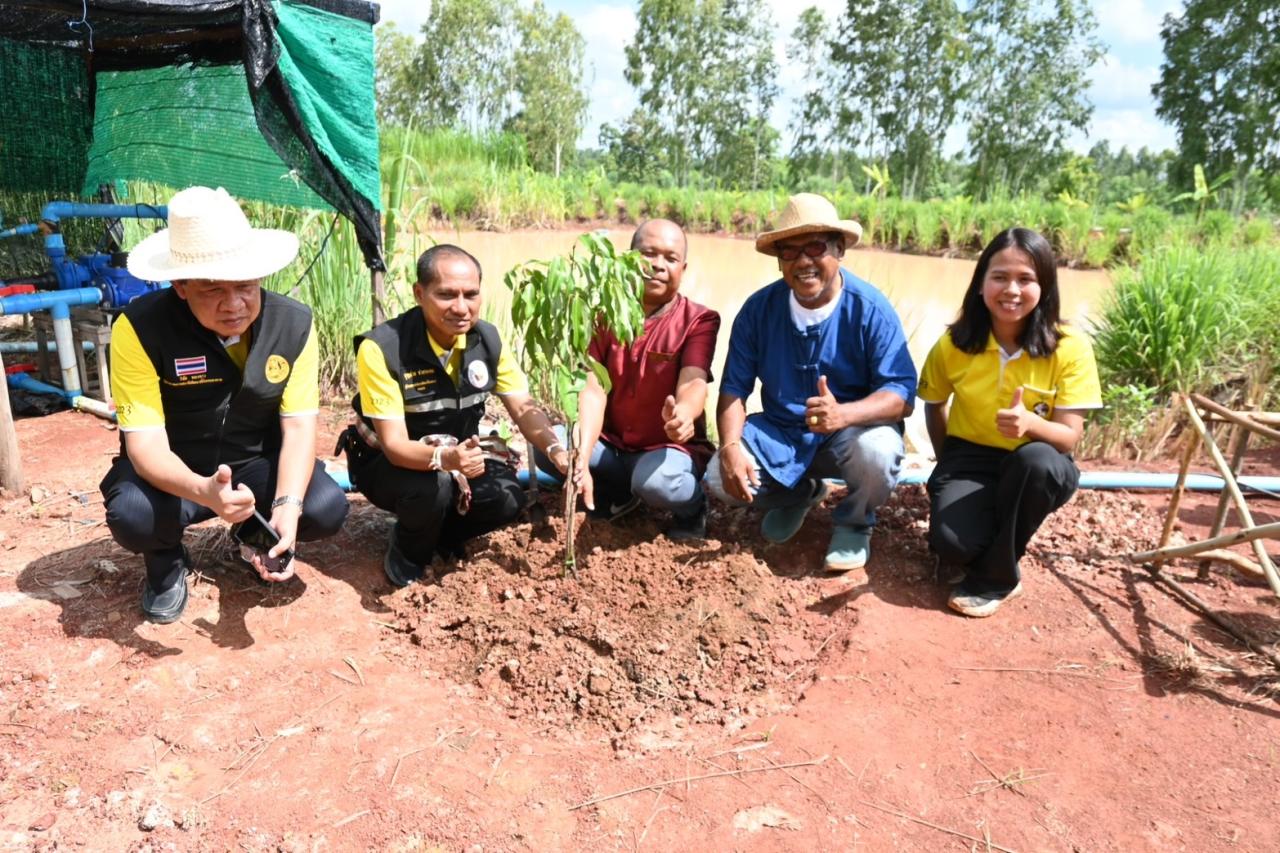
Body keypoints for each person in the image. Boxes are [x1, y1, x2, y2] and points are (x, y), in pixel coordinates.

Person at [101, 186, 349, 623]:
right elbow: (144, 446)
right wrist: (204, 491)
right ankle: (165, 559)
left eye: (245, 286)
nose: (234, 305)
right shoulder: (138, 329)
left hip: (253, 460)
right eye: (212, 288)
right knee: (133, 515)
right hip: (175, 468)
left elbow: (298, 428)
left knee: (325, 508)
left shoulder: (295, 325)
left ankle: (254, 536)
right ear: (179, 285)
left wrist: (287, 507)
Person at [705, 193, 916, 571]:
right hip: (781, 434)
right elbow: (734, 390)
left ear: (839, 250)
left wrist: (844, 414)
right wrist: (731, 445)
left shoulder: (870, 309)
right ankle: (799, 494)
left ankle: (855, 522)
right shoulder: (758, 310)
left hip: (848, 435)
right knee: (718, 478)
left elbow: (902, 393)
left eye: (816, 247)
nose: (803, 261)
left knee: (879, 451)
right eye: (789, 251)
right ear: (779, 260)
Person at [341, 244, 568, 586]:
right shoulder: (384, 348)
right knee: (434, 488)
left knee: (508, 497)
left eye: (471, 294)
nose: (461, 308)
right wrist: (447, 458)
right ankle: (408, 553)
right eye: (446, 295)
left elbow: (523, 407)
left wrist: (556, 450)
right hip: (386, 464)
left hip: (458, 457)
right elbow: (395, 446)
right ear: (420, 293)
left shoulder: (487, 340)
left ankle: (442, 537)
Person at [919, 227, 1102, 618]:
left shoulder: (1069, 347)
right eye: (999, 277)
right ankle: (989, 538)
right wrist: (946, 462)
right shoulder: (954, 344)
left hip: (1037, 460)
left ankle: (997, 579)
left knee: (1036, 462)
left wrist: (1029, 426)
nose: (1011, 290)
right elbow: (933, 405)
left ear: (1045, 286)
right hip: (970, 457)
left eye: (1026, 279)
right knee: (952, 546)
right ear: (981, 282)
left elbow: (1068, 439)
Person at [535, 219, 720, 539]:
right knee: (550, 446)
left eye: (670, 258)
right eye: (648, 254)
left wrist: (684, 415)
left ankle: (693, 509)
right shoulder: (600, 314)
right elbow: (593, 389)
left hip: (663, 447)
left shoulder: (698, 320)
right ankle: (620, 495)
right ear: (626, 259)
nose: (658, 265)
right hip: (611, 445)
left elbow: (694, 380)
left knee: (658, 484)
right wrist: (581, 450)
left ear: (683, 268)